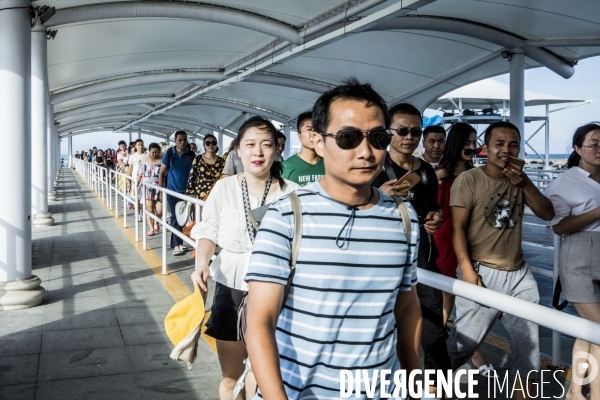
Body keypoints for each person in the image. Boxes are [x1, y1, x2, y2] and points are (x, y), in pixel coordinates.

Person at [244, 79, 422, 399]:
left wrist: (415, 386)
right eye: (348, 138)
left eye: (378, 138)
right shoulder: (286, 217)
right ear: (319, 141)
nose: (366, 152)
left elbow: (407, 309)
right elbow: (259, 321)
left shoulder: (404, 217)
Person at [190, 116, 299, 400]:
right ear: (238, 149)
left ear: (278, 149)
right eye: (250, 144)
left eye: (266, 144)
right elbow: (208, 230)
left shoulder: (292, 194)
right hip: (231, 286)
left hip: (279, 289)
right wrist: (202, 263)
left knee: (264, 376)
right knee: (231, 375)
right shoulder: (224, 188)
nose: (258, 152)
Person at [448, 121, 554, 395]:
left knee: (527, 348)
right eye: (499, 144)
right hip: (482, 272)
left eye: (513, 144)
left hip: (519, 274)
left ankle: (522, 393)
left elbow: (547, 213)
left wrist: (527, 183)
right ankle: (434, 386)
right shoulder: (469, 180)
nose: (506, 150)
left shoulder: (521, 180)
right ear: (486, 147)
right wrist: (468, 271)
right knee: (463, 346)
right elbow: (457, 228)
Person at [372, 102, 449, 392]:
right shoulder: (374, 168)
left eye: (416, 131)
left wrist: (435, 216)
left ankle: (438, 390)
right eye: (402, 130)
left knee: (433, 332)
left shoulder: (426, 170)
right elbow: (351, 208)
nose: (409, 137)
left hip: (422, 260)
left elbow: (431, 205)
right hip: (383, 263)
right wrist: (378, 196)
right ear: (387, 132)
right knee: (385, 332)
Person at [433, 122, 495, 375]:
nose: (472, 147)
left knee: (472, 304)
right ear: (456, 143)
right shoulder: (440, 174)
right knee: (448, 302)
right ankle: (436, 358)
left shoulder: (477, 175)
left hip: (473, 242)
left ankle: (461, 357)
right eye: (467, 142)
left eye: (474, 142)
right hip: (445, 240)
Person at [545, 123, 600, 400]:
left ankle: (575, 392)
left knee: (589, 330)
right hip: (579, 254)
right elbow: (559, 226)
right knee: (599, 328)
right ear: (578, 149)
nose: (599, 149)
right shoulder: (564, 182)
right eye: (594, 143)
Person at [158, 131, 194, 256]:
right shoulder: (169, 154)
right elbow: (161, 173)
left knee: (183, 218)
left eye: (184, 140)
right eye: (180, 140)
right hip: (173, 191)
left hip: (187, 191)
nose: (182, 142)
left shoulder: (191, 154)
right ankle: (176, 245)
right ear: (175, 141)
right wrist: (162, 191)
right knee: (175, 217)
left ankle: (180, 243)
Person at [281, 111, 325, 186]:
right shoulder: (286, 168)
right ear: (299, 136)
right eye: (309, 129)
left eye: (318, 130)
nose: (314, 134)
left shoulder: (331, 165)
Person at [185, 134, 225, 201]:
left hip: (216, 194)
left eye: (213, 143)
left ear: (216, 145)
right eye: (208, 143)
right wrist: (189, 196)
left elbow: (224, 180)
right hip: (199, 193)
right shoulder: (198, 159)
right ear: (204, 145)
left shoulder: (221, 161)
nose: (211, 145)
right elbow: (191, 178)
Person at [137, 142, 163, 237]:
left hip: (159, 187)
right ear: (149, 151)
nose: (155, 154)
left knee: (160, 210)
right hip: (147, 187)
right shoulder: (145, 160)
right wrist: (135, 186)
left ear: (160, 152)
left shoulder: (163, 161)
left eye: (156, 152)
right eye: (153, 152)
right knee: (149, 208)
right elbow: (139, 175)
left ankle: (156, 222)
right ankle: (151, 228)